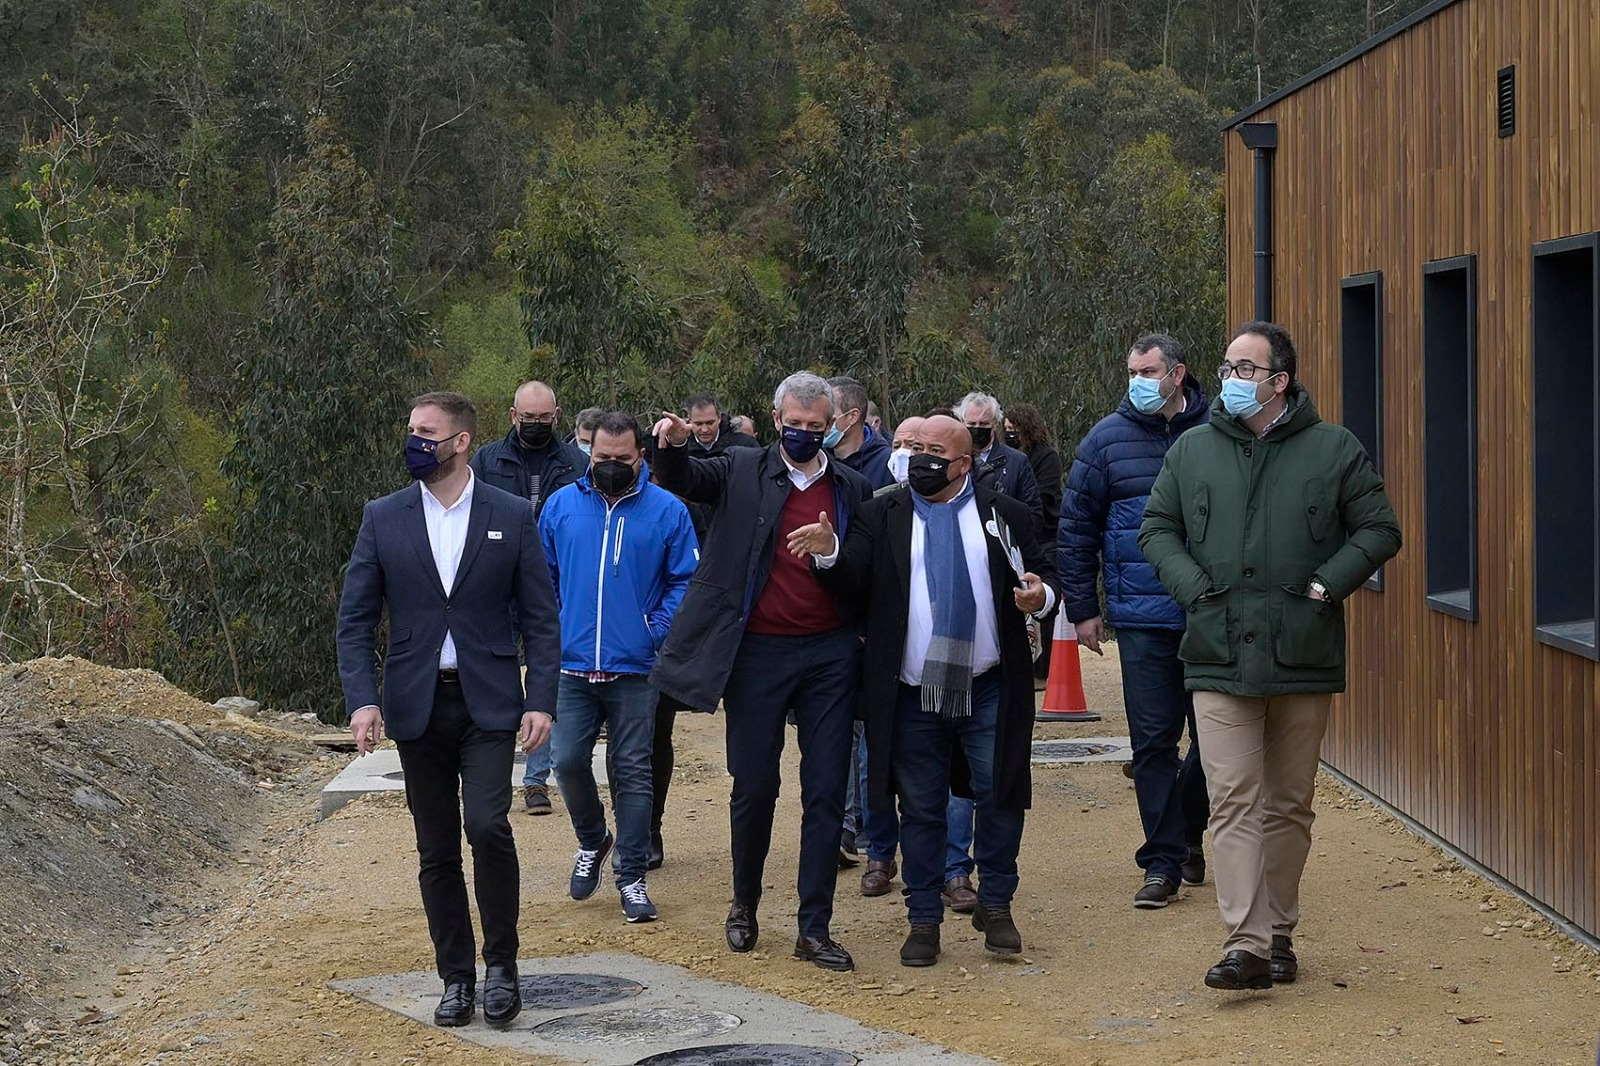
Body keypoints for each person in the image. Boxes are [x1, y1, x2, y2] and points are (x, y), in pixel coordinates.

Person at [1139, 321, 1400, 991]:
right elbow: (1157, 528)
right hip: (1216, 650)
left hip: (1302, 651)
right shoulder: (1192, 450)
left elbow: (1379, 528)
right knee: (1231, 796)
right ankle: (1246, 944)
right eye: (1226, 367)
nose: (1228, 379)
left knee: (1288, 802)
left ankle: (1280, 929)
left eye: (1244, 369)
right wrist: (1193, 589)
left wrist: (1327, 583)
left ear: (1279, 381)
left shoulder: (1333, 448)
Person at [794, 414, 1059, 967]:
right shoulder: (881, 512)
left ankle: (997, 904)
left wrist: (1042, 597)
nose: (920, 459)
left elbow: (1044, 574)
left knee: (1000, 794)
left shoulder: (1002, 514)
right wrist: (828, 552)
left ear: (964, 463)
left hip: (988, 687)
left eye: (934, 451)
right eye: (914, 448)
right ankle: (923, 921)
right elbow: (854, 582)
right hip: (910, 692)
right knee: (919, 807)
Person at [336, 391, 559, 1029]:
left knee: (488, 826)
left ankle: (502, 968)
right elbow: (354, 621)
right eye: (411, 430)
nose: (414, 441)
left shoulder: (511, 515)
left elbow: (542, 620)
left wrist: (540, 698)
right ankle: (456, 977)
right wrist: (362, 699)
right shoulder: (383, 516)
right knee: (435, 848)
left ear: (460, 441)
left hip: (489, 702)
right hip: (416, 704)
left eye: (425, 432)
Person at [650, 372, 873, 972]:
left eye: (815, 427)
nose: (803, 434)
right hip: (757, 654)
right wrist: (668, 445)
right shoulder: (740, 469)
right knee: (754, 785)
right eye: (793, 425)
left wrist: (830, 551)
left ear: (835, 426)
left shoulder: (851, 489)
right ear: (775, 420)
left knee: (826, 791)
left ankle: (813, 926)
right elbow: (685, 479)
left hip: (829, 656)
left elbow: (864, 577)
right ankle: (744, 904)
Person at [1060, 333, 1213, 910]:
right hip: (1142, 618)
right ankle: (1164, 861)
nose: (1137, 381)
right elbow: (1077, 529)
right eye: (1132, 371)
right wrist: (1084, 610)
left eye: (1147, 370)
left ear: (1178, 374)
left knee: (1212, 743)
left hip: (1209, 613)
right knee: (1152, 743)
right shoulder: (1105, 440)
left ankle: (1185, 830)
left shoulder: (1219, 430)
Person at [538, 411, 699, 924]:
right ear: (590, 454)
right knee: (565, 761)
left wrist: (653, 631)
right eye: (602, 458)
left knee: (632, 771)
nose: (610, 466)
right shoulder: (561, 506)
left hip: (636, 668)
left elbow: (685, 580)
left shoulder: (668, 511)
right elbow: (543, 575)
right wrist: (556, 630)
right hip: (572, 665)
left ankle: (632, 875)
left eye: (621, 459)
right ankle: (593, 839)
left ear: (640, 456)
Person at [471, 380, 590, 816]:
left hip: (553, 582)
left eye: (543, 418)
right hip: (497, 584)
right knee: (495, 677)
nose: (536, 425)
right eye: (528, 418)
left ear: (556, 416)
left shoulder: (577, 463)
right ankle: (490, 769)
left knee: (546, 678)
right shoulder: (486, 460)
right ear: (512, 415)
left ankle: (536, 779)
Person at [956, 392, 1043, 535]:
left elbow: (1033, 514)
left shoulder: (1017, 461)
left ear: (995, 424)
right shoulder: (954, 460)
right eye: (971, 423)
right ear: (962, 423)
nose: (977, 428)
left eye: (984, 423)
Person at [825, 376, 895, 491]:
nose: (822, 419)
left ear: (852, 416)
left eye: (829, 412)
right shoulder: (816, 459)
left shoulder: (887, 464)